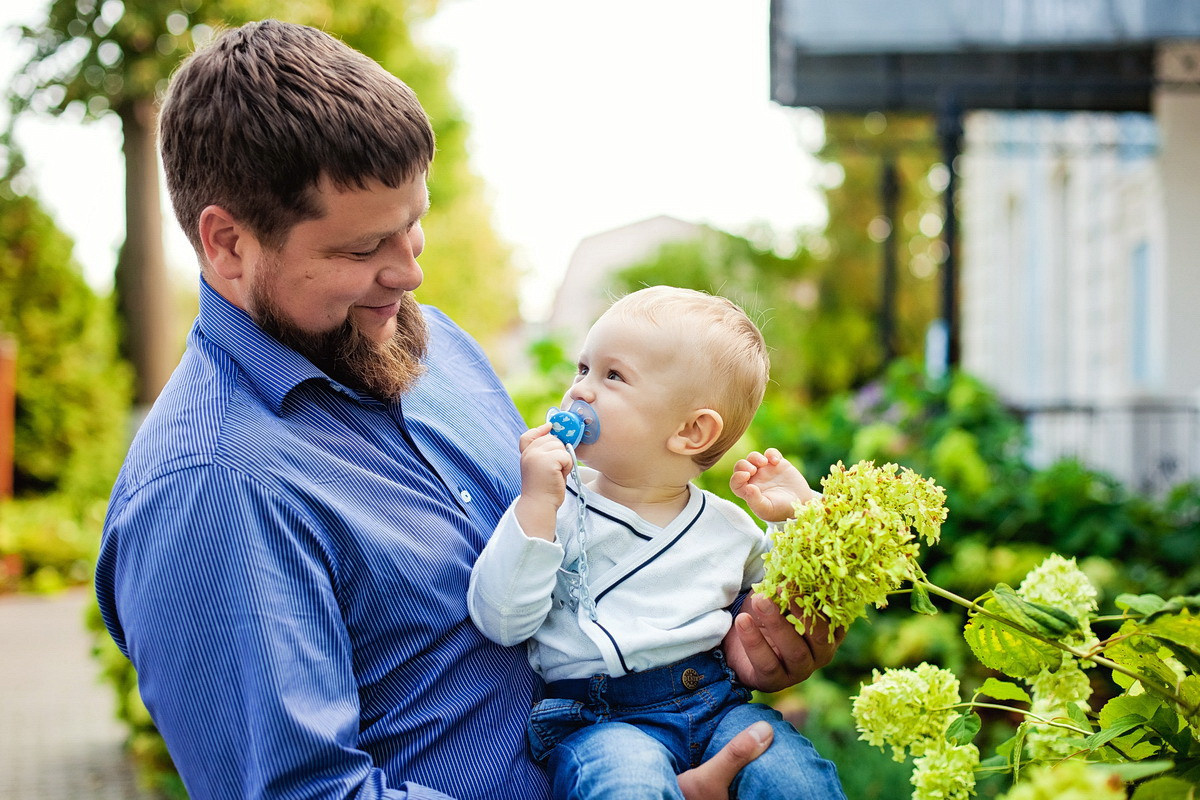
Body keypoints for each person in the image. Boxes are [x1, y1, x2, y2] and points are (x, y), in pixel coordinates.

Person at [94, 20, 843, 800]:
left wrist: (743, 632)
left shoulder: (429, 343)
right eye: (363, 249)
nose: (410, 272)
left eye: (412, 223)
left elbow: (582, 558)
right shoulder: (211, 486)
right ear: (227, 243)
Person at [467, 286, 846, 799]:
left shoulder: (728, 528)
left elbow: (793, 598)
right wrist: (535, 504)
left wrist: (794, 520)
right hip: (600, 721)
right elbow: (502, 620)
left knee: (789, 775)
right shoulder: (555, 504)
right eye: (583, 369)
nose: (580, 390)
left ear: (692, 432)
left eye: (613, 375)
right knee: (626, 781)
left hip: (719, 705)